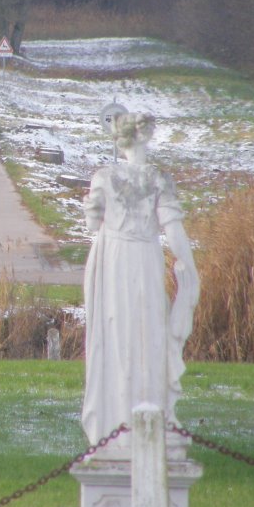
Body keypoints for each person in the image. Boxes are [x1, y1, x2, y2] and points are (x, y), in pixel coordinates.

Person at [80, 112, 199, 452]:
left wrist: (94, 208)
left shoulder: (105, 177)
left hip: (117, 259)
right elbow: (174, 231)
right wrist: (190, 268)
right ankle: (138, 422)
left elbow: (92, 224)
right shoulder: (157, 180)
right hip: (141, 258)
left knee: (120, 338)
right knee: (147, 337)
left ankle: (120, 423)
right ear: (144, 137)